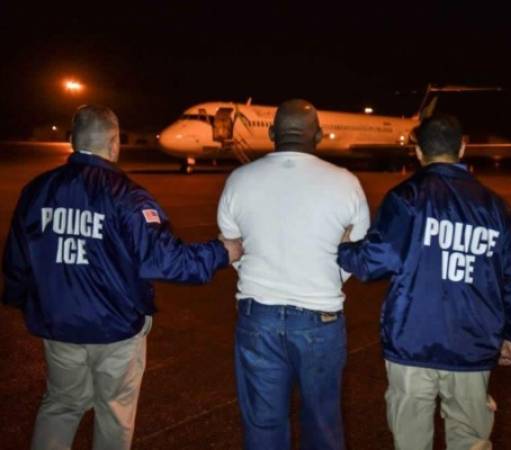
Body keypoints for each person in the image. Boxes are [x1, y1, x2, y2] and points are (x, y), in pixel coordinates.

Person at [2, 105, 242, 450]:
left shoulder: (37, 191)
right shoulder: (127, 196)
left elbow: (16, 260)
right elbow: (165, 259)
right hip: (115, 329)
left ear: (72, 141)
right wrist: (223, 252)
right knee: (114, 412)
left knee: (61, 405)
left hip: (57, 327)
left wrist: (24, 300)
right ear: (114, 144)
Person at [337, 115, 511, 450]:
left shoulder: (406, 198)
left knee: (411, 440)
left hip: (412, 342)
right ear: (463, 147)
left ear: (416, 150)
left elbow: (374, 262)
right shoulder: (495, 206)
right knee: (470, 439)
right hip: (472, 343)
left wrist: (344, 249)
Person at [217, 99, 370, 450]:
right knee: (322, 422)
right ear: (317, 135)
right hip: (321, 318)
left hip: (259, 318)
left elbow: (232, 250)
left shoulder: (239, 179)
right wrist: (324, 275)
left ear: (272, 133)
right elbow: (355, 256)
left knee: (263, 424)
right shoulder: (345, 183)